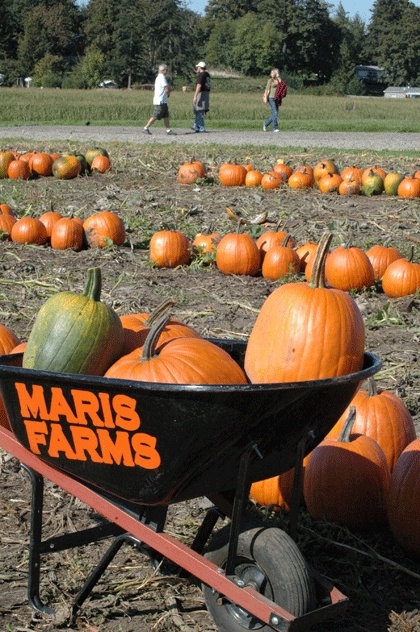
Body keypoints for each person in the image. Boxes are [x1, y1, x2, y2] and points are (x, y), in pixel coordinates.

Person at [143, 64, 174, 135]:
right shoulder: (161, 78)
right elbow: (166, 88)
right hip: (159, 101)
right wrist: (169, 92)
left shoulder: (160, 77)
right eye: (166, 70)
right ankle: (146, 128)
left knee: (166, 115)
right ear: (163, 70)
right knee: (156, 115)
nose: (167, 71)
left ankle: (168, 130)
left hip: (163, 101)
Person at [262, 69, 286, 133]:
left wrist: (278, 76)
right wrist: (265, 96)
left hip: (276, 98)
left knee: (275, 114)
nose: (271, 74)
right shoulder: (270, 80)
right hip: (270, 98)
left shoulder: (278, 80)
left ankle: (265, 123)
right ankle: (275, 128)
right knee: (275, 112)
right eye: (271, 73)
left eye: (273, 73)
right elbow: (267, 89)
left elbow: (282, 84)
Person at [192, 61, 210, 133]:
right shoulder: (207, 74)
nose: (197, 68)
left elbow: (199, 85)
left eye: (198, 67)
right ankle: (196, 125)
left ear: (200, 67)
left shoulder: (201, 75)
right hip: (206, 93)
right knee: (198, 110)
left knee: (199, 110)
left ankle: (201, 127)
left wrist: (195, 96)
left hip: (201, 93)